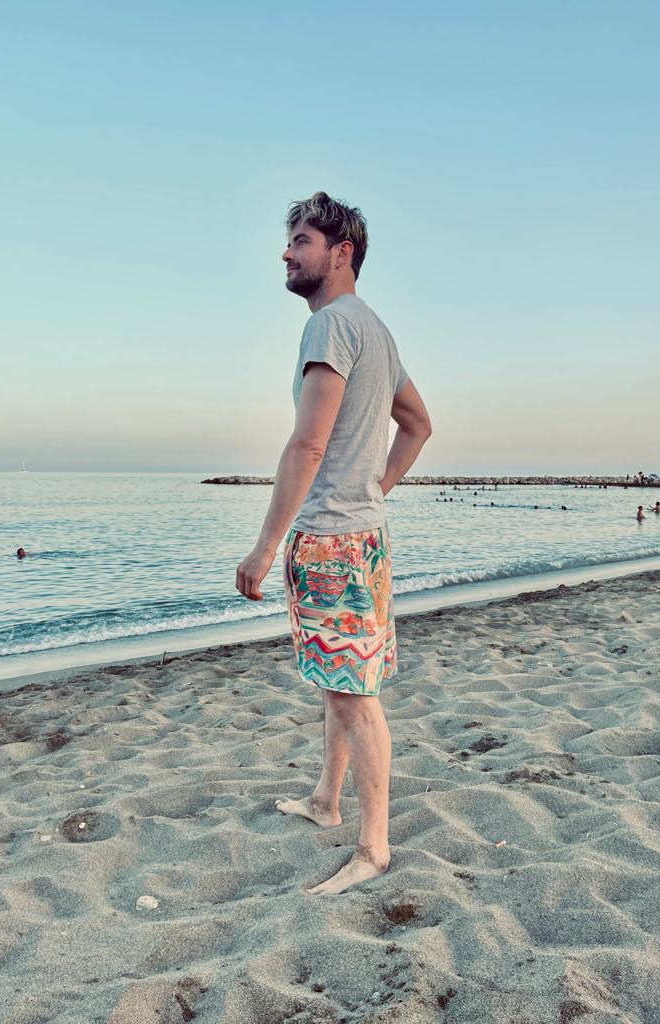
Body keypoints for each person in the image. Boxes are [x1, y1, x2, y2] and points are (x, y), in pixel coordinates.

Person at [235, 192, 432, 896]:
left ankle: (374, 848)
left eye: (300, 240)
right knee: (337, 680)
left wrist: (265, 545)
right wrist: (376, 488)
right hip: (367, 535)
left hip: (332, 541)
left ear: (340, 252)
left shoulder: (331, 328)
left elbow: (308, 442)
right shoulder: (375, 330)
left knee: (354, 695)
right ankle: (325, 800)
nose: (286, 253)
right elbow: (418, 425)